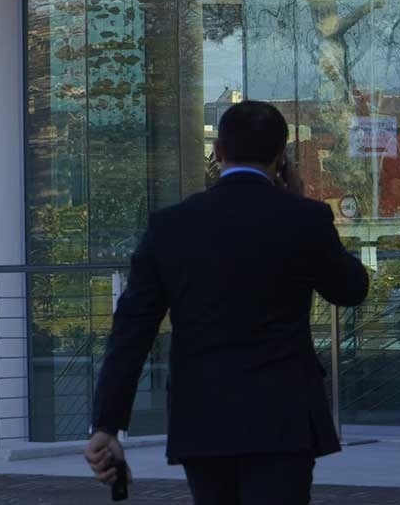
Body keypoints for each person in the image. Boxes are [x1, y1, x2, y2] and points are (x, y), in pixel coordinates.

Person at [85, 100, 369, 504]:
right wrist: (300, 204)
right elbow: (352, 289)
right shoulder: (304, 218)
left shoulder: (171, 226)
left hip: (203, 415)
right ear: (282, 157)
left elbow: (132, 329)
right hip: (283, 415)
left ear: (218, 151)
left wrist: (107, 425)